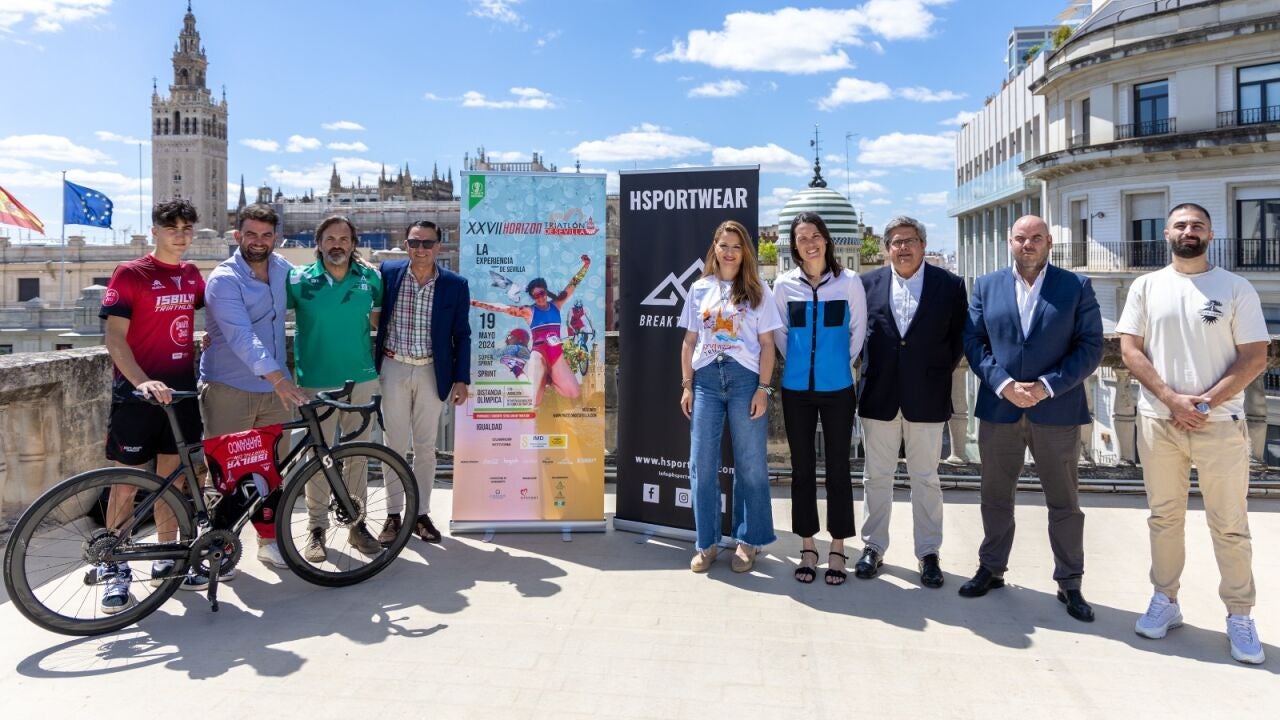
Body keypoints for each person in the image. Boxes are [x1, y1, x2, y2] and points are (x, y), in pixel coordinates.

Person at [1117, 203, 1269, 664]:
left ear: (1210, 234)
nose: (1189, 231)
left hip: (1219, 424)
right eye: (1181, 225)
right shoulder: (1146, 286)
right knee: (1165, 519)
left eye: (1197, 225)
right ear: (1167, 233)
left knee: (1230, 524)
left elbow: (1254, 356)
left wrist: (1204, 403)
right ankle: (1166, 600)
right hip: (1159, 422)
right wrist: (1171, 398)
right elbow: (1130, 349)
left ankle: (1239, 615)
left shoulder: (1236, 287)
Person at [960, 214, 1102, 622]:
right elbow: (974, 341)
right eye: (1021, 238)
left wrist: (1046, 386)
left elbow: (1090, 346)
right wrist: (1004, 384)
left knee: (1065, 502)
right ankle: (991, 568)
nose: (1028, 244)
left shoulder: (1075, 286)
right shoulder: (986, 285)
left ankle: (1070, 582)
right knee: (995, 496)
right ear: (1010, 242)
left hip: (1056, 410)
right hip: (1000, 408)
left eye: (1036, 237)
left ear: (1049, 242)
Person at [96, 199, 224, 612]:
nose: (181, 236)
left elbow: (210, 311)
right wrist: (142, 381)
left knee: (174, 481)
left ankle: (167, 559)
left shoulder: (191, 274)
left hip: (180, 392)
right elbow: (115, 338)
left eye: (187, 228)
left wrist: (206, 338)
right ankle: (114, 565)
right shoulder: (130, 273)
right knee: (127, 483)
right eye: (172, 228)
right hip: (137, 394)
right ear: (155, 231)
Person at [856, 216, 967, 588]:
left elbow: (957, 340)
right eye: (896, 242)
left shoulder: (949, 286)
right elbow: (858, 337)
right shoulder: (866, 285)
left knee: (926, 479)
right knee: (876, 477)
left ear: (923, 244)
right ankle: (873, 547)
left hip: (927, 397)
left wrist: (931, 372)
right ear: (887, 248)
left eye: (910, 240)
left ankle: (929, 552)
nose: (903, 248)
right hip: (879, 396)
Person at [200, 203, 310, 569]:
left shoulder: (282, 269)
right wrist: (279, 378)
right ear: (237, 236)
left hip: (274, 391)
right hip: (230, 388)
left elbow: (315, 286)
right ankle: (217, 549)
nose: (258, 241)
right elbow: (241, 337)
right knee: (225, 472)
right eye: (251, 234)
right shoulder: (224, 279)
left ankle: (269, 541)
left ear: (276, 237)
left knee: (272, 470)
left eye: (266, 235)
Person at [679, 219, 782, 574]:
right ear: (715, 247)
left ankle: (747, 540)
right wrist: (687, 384)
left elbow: (768, 345)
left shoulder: (759, 290)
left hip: (745, 380)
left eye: (736, 247)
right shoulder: (699, 289)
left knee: (750, 464)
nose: (729, 252)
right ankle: (706, 543)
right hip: (706, 381)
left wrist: (763, 389)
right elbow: (689, 341)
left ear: (745, 252)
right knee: (701, 463)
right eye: (724, 245)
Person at [770, 211, 866, 585]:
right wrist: (800, 363)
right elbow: (781, 334)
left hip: (838, 388)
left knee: (839, 467)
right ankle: (808, 546)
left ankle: (838, 547)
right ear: (794, 246)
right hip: (796, 390)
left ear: (825, 239)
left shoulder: (849, 282)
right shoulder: (783, 285)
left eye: (814, 236)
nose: (809, 243)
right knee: (802, 469)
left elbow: (857, 332)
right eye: (801, 238)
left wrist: (836, 365)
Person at [286, 214, 385, 560]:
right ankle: (316, 529)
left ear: (354, 243)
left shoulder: (371, 278)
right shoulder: (297, 279)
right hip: (315, 382)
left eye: (344, 239)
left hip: (361, 378)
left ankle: (356, 525)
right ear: (319, 243)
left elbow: (382, 321)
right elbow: (266, 316)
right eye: (330, 239)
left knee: (358, 454)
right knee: (318, 456)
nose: (337, 245)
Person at [374, 221, 471, 543]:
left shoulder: (455, 284)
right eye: (415, 242)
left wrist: (461, 379)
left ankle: (420, 514)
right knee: (394, 445)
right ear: (405, 245)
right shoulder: (387, 273)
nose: (421, 249)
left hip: (432, 371)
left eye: (428, 243)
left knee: (426, 448)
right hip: (394, 367)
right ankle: (393, 515)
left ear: (438, 247)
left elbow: (462, 335)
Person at [470, 255, 591, 406]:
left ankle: (549, 378)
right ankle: (516, 367)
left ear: (546, 292)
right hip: (539, 354)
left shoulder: (556, 305)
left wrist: (586, 266)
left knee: (574, 392)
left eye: (541, 293)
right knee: (534, 401)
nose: (539, 298)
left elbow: (573, 285)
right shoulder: (529, 311)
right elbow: (502, 307)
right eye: (535, 296)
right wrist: (475, 303)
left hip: (556, 355)